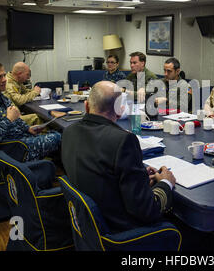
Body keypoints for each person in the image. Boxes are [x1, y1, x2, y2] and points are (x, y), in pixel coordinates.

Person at [62, 81, 175, 232]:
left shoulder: (69, 131)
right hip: (119, 232)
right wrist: (166, 183)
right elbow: (147, 211)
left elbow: (102, 174)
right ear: (120, 111)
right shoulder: (123, 141)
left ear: (86, 106)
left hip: (86, 224)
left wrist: (138, 178)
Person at [0, 60, 61, 161]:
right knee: (58, 138)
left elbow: (16, 119)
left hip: (19, 139)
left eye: (3, 75)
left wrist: (27, 128)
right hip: (9, 150)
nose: (4, 80)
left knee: (60, 134)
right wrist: (8, 119)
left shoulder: (1, 97)